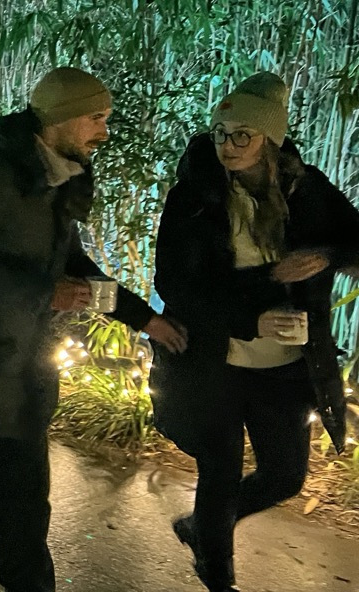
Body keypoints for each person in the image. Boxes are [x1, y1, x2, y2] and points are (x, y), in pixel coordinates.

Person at [0, 67, 188, 592]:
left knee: (26, 524)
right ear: (59, 118)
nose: (104, 131)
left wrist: (144, 318)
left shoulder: (58, 180)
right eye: (95, 117)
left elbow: (73, 264)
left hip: (26, 383)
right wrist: (42, 291)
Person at [151, 72, 359, 592]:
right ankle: (217, 572)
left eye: (243, 134)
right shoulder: (194, 196)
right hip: (213, 359)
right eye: (221, 133)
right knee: (219, 471)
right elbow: (174, 285)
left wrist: (326, 256)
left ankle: (202, 529)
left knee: (285, 475)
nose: (228, 145)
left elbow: (355, 239)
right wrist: (252, 317)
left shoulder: (306, 190)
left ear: (271, 138)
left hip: (285, 365)